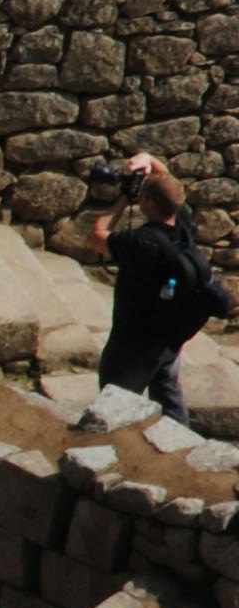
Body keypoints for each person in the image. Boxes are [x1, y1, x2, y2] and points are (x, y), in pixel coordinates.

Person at [92, 151, 228, 416]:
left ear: (152, 205)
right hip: (169, 338)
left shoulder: (142, 242)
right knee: (168, 395)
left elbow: (97, 235)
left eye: (144, 196)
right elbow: (168, 183)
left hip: (133, 345)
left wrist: (123, 198)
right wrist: (148, 159)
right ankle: (183, 446)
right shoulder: (183, 221)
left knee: (111, 407)